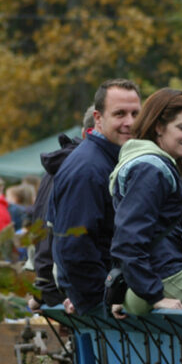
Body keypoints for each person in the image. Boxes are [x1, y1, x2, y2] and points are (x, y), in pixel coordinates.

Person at [109, 88, 182, 317]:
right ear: (159, 126)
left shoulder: (147, 163)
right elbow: (128, 238)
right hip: (165, 278)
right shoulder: (150, 169)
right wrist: (155, 296)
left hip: (152, 279)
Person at [48, 79, 142, 315]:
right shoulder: (89, 170)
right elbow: (74, 247)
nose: (129, 122)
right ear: (98, 118)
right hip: (102, 310)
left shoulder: (113, 160)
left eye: (135, 113)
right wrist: (100, 304)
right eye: (119, 114)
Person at [27, 106, 95, 311]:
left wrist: (42, 288)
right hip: (69, 293)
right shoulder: (83, 171)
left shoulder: (54, 170)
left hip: (51, 286)